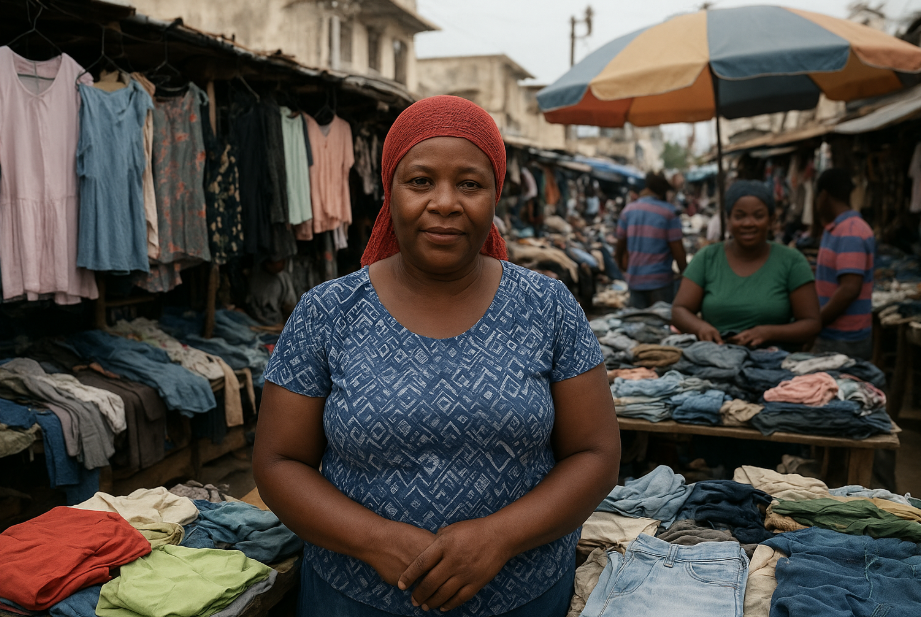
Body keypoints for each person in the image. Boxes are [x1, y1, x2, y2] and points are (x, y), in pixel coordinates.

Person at [252, 95, 621, 617]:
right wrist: (372, 539)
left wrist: (498, 538)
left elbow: (596, 455)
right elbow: (277, 462)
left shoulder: (548, 307)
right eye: (420, 181)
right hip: (354, 597)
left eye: (469, 184)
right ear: (390, 192)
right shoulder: (326, 313)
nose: (445, 202)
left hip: (521, 595)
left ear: (495, 194)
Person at [671, 180, 821, 348]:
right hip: (718, 357)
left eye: (758, 216)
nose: (748, 223)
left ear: (771, 220)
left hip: (775, 363)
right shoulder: (707, 258)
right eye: (739, 216)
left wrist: (769, 332)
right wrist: (701, 328)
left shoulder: (792, 261)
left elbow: (811, 322)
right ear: (728, 220)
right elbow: (679, 310)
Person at [813, 168, 875, 360]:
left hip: (844, 338)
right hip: (835, 335)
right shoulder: (837, 228)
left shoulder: (851, 231)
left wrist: (816, 322)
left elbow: (849, 289)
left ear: (824, 196)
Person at [614, 172, 686, 308]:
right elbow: (678, 251)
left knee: (638, 325)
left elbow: (620, 246)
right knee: (661, 324)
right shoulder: (669, 212)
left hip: (635, 279)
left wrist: (622, 267)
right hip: (660, 281)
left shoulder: (628, 211)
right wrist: (685, 274)